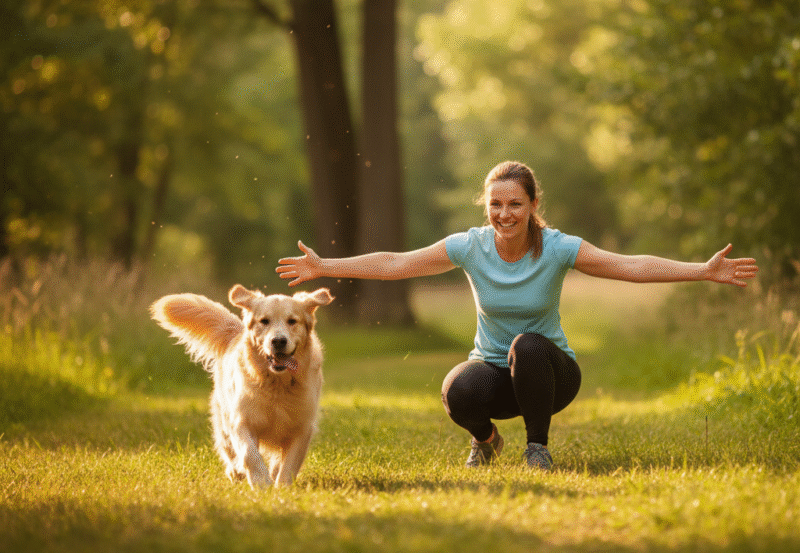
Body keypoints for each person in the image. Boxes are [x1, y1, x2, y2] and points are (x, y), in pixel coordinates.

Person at [276, 161, 759, 471]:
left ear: (532, 206)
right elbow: (397, 262)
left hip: (550, 374)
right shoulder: (470, 246)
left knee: (527, 343)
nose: (504, 214)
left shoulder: (558, 248)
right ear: (486, 206)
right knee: (456, 391)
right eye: (495, 204)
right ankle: (487, 441)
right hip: (492, 369)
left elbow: (629, 266)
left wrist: (703, 271)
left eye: (515, 204)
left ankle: (538, 448)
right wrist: (325, 266)